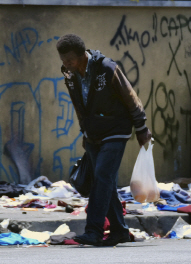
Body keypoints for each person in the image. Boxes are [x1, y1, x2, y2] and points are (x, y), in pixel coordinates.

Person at [56, 33, 152, 246]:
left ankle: (94, 231)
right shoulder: (70, 75)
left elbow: (130, 97)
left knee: (102, 176)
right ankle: (119, 231)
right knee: (103, 182)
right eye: (63, 61)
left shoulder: (107, 68)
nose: (66, 64)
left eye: (70, 60)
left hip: (116, 130)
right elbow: (79, 106)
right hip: (93, 134)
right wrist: (85, 132)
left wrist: (142, 127)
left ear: (82, 55)